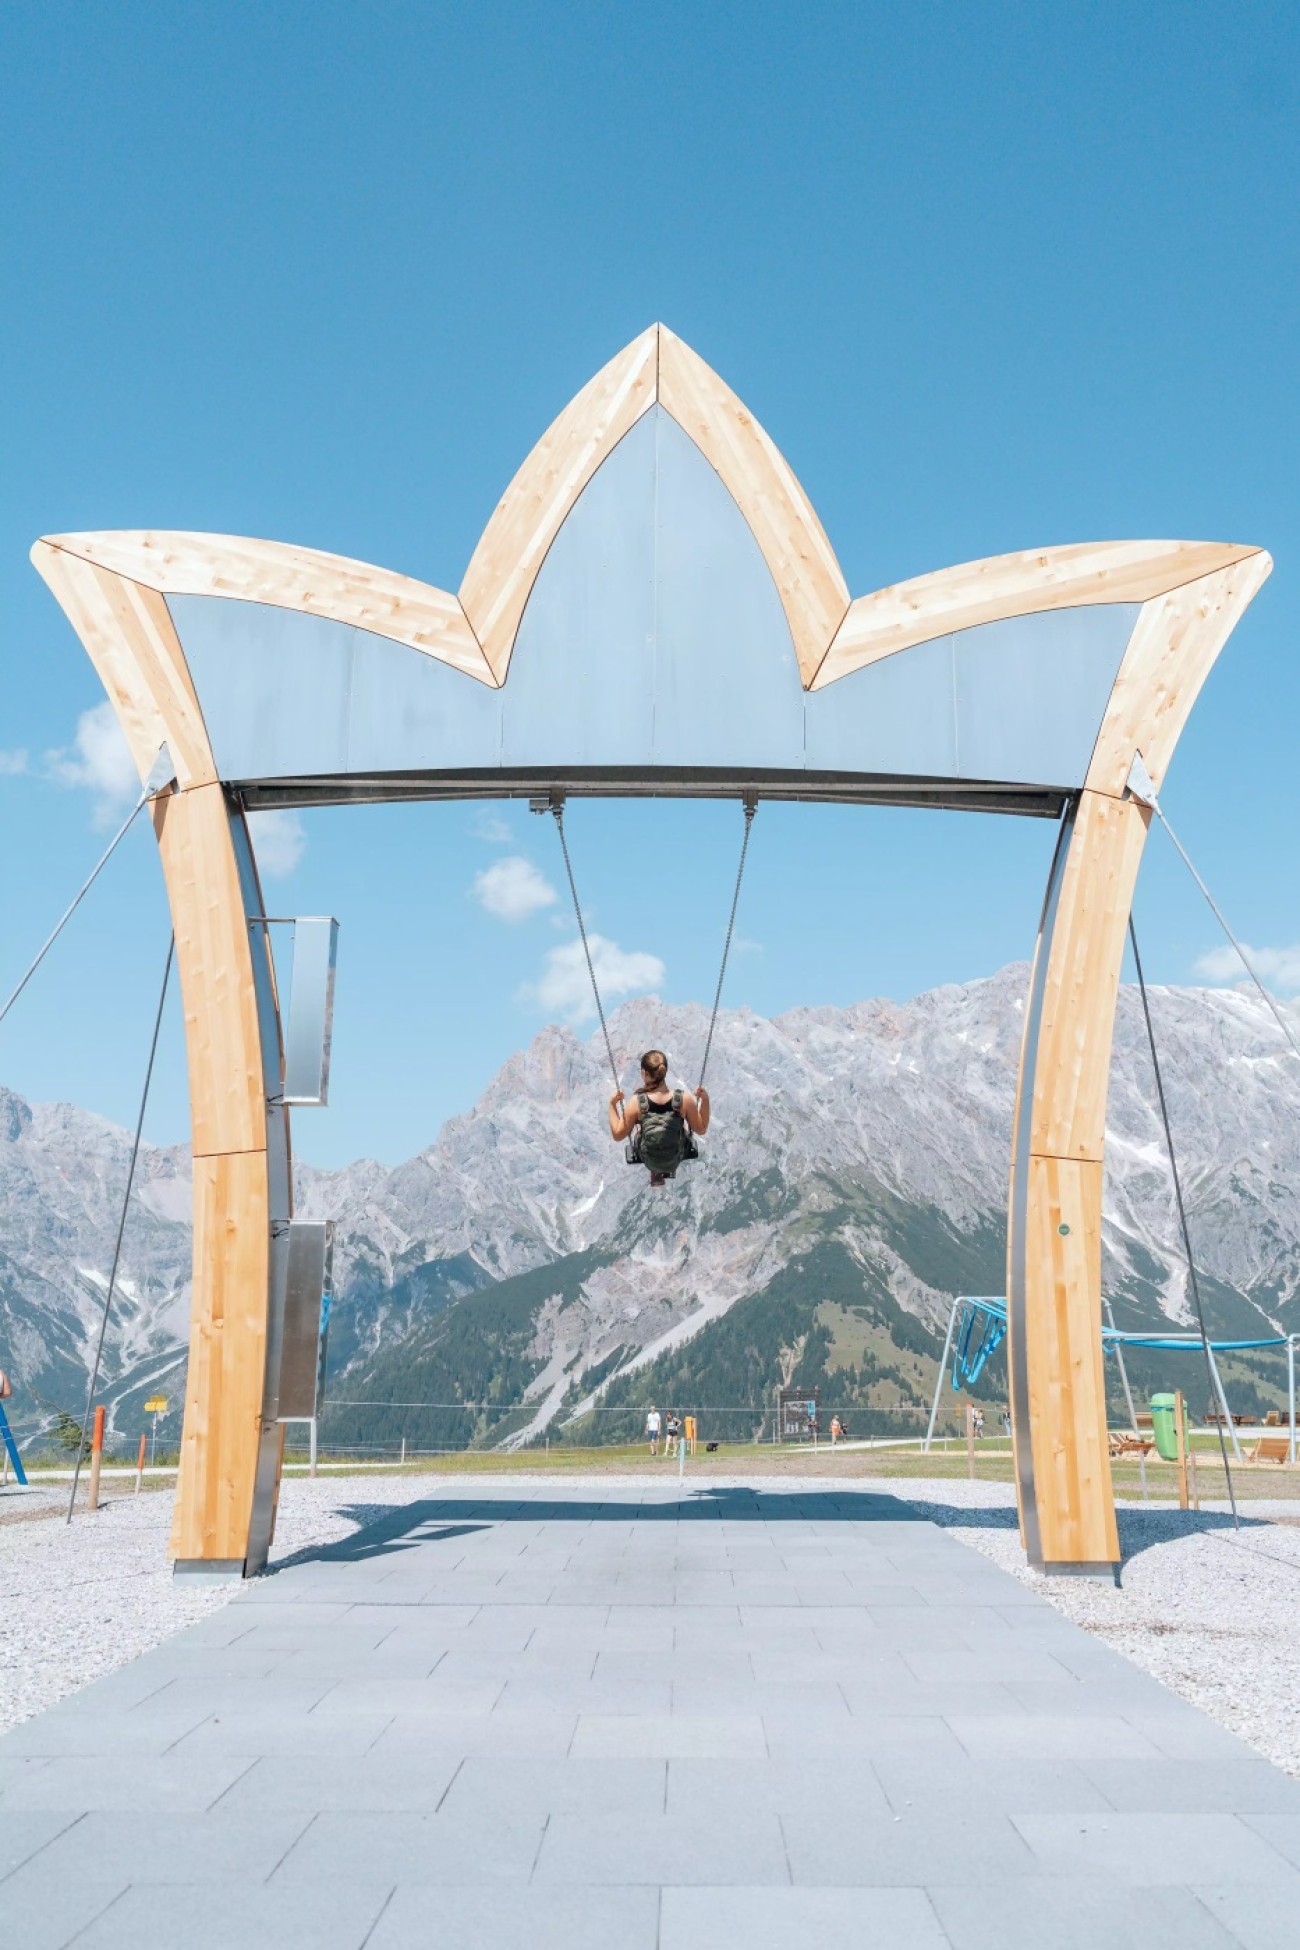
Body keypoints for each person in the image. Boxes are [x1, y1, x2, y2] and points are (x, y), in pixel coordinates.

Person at [609, 1050, 709, 1187]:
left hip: (648, 1158)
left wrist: (612, 1104)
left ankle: (655, 1169)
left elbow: (618, 1135)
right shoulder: (683, 1098)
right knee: (681, 1126)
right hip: (676, 1155)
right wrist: (705, 1099)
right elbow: (701, 1129)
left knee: (640, 1127)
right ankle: (664, 1161)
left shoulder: (636, 1102)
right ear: (665, 1071)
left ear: (644, 1073)